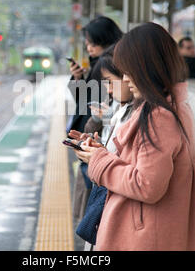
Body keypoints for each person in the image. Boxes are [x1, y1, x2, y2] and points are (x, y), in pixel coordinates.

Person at [73, 22, 195, 251]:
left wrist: (98, 160)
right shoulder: (172, 107)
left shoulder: (158, 116)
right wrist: (101, 152)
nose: (124, 79)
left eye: (128, 70)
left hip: (143, 239)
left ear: (146, 67)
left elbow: (146, 185)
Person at [69, 52, 134, 251]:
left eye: (109, 81)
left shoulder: (143, 116)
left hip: (116, 204)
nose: (107, 88)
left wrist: (98, 156)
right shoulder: (124, 108)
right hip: (109, 196)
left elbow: (141, 181)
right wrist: (99, 150)